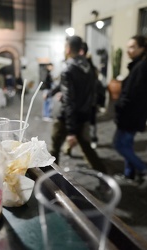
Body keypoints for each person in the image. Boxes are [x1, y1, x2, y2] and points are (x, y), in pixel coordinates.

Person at [49, 35, 107, 174]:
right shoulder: (89, 67)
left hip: (67, 118)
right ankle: (104, 177)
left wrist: (71, 130)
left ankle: (52, 179)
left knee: (54, 149)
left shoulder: (68, 69)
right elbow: (90, 93)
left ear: (68, 49)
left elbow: (69, 101)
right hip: (83, 115)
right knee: (87, 149)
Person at [113, 35, 147, 183]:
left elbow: (133, 95)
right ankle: (129, 174)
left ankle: (145, 170)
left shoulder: (142, 67)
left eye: (132, 47)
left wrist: (119, 107)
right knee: (127, 145)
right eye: (128, 47)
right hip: (133, 115)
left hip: (130, 116)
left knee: (119, 145)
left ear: (142, 49)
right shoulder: (139, 66)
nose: (128, 50)